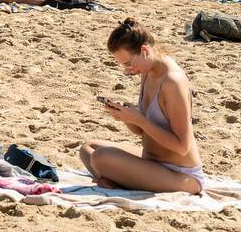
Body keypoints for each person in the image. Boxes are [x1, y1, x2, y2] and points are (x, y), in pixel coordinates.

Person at [80, 18, 204, 194]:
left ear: (144, 51)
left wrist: (140, 120)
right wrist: (127, 116)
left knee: (101, 158)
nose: (128, 70)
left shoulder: (172, 82)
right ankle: (120, 178)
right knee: (88, 149)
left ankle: (118, 179)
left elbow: (182, 147)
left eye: (128, 64)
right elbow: (141, 132)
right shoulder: (148, 70)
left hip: (180, 174)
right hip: (151, 160)